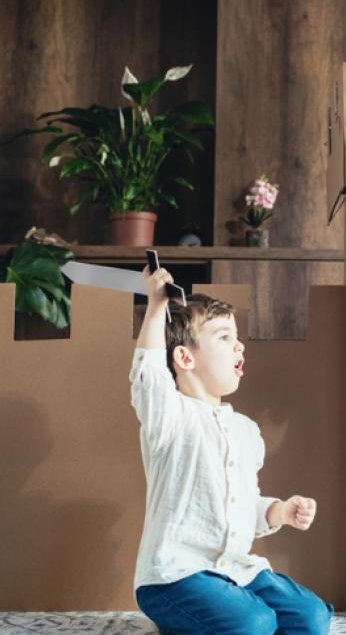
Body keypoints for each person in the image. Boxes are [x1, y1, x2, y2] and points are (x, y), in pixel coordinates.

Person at [129, 266, 332, 634]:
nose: (239, 345)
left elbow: (242, 505)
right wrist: (156, 308)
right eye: (223, 337)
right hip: (175, 575)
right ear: (184, 358)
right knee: (255, 622)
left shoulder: (246, 431)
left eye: (237, 338)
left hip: (234, 569)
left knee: (312, 617)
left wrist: (279, 511)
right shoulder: (170, 414)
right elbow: (149, 377)